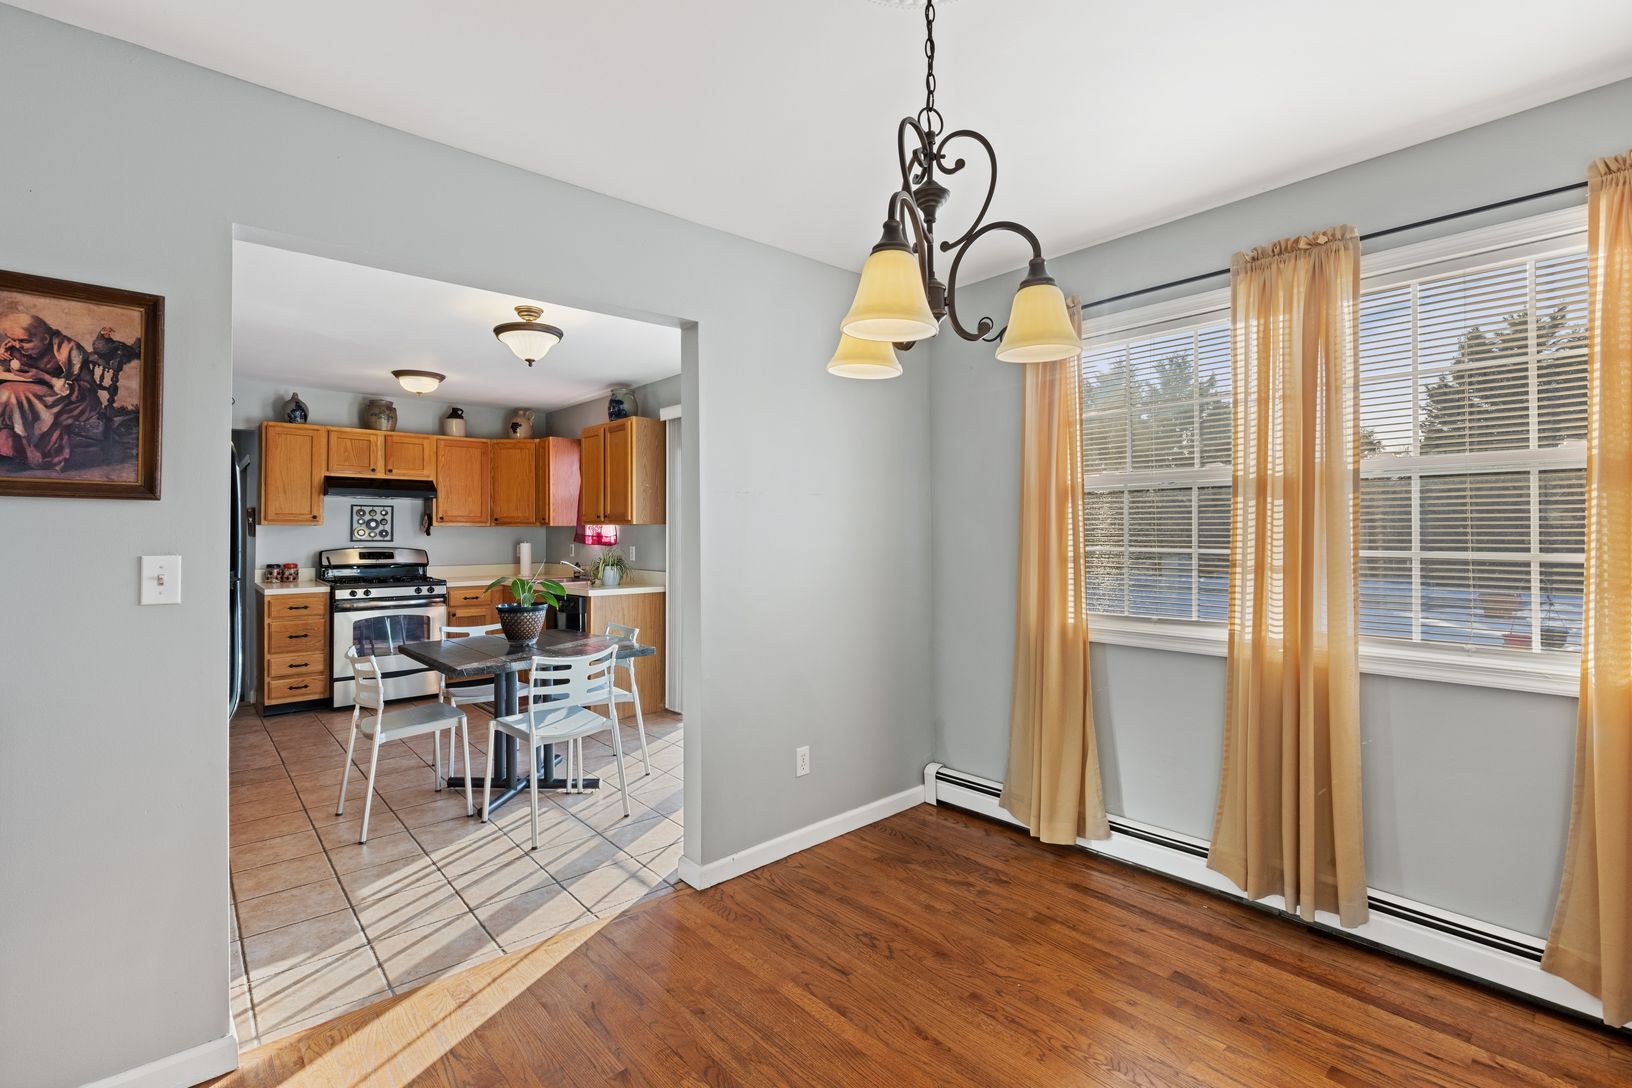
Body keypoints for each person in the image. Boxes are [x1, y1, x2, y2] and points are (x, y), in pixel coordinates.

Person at [0, 311, 103, 470]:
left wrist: (43, 376)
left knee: (11, 393)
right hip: (34, 394)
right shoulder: (15, 347)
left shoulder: (68, 349)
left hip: (72, 398)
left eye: (25, 341)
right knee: (9, 392)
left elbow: (85, 390)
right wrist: (3, 358)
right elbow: (9, 369)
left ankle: (40, 455)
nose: (18, 345)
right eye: (13, 340)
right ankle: (12, 451)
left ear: (45, 339)